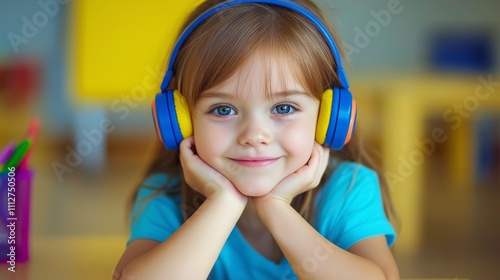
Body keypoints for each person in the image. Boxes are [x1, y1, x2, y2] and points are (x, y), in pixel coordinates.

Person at [114, 0, 399, 279]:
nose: (254, 136)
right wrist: (223, 203)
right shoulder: (165, 195)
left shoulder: (349, 188)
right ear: (181, 122)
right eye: (223, 109)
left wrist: (275, 208)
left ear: (329, 117)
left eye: (284, 108)